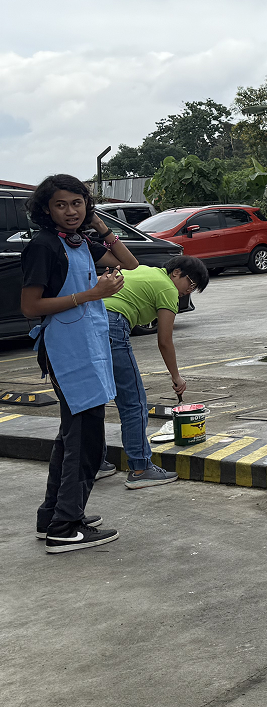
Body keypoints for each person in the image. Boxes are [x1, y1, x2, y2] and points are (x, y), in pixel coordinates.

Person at [21, 175, 138, 552]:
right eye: (61, 204)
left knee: (71, 435)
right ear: (46, 209)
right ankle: (65, 526)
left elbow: (129, 262)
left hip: (88, 347)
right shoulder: (44, 246)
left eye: (77, 203)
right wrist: (91, 294)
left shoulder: (80, 242)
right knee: (86, 440)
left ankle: (52, 516)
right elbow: (30, 307)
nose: (70, 211)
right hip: (66, 351)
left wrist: (99, 225)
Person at [102, 254, 209, 489]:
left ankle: (95, 463)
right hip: (112, 326)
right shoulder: (168, 289)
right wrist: (176, 377)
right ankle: (141, 469)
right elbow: (165, 341)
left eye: (194, 289)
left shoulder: (144, 271)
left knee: (95, 400)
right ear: (176, 273)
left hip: (88, 321)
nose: (188, 291)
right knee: (133, 403)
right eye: (190, 284)